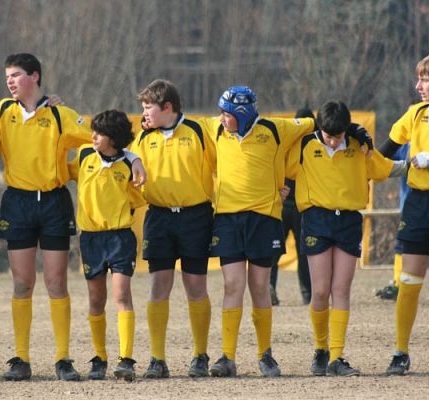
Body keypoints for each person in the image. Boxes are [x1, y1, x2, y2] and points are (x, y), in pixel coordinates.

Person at [0, 53, 145, 381]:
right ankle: (21, 358)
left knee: (56, 282)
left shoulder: (61, 114)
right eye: (8, 76)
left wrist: (132, 158)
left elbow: (106, 139)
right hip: (17, 202)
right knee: (22, 283)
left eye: (16, 75)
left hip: (53, 204)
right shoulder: (2, 112)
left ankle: (63, 359)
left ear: (35, 76)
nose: (10, 81)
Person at [207, 86, 317, 378]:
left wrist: (354, 131)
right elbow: (184, 124)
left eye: (226, 114)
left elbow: (314, 124)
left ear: (242, 113)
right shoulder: (216, 130)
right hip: (228, 220)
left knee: (259, 287)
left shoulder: (275, 129)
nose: (220, 118)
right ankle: (227, 357)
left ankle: (264, 355)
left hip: (264, 219)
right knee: (232, 285)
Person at [292, 101, 404, 377]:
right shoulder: (305, 145)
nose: (333, 141)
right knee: (319, 291)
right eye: (328, 136)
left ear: (346, 130)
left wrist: (415, 165)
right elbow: (276, 165)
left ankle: (337, 357)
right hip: (317, 218)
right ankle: (321, 348)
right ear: (320, 129)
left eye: (338, 136)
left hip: (348, 221)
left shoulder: (358, 145)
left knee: (340, 290)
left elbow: (383, 167)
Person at [379, 50, 429, 376]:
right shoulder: (415, 114)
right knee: (409, 281)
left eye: (424, 79)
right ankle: (400, 353)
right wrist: (356, 146)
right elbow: (382, 154)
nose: (418, 86)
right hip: (418, 204)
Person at [131, 79, 216, 378]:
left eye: (147, 107)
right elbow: (128, 158)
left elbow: (225, 162)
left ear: (167, 107)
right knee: (158, 287)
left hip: (195, 217)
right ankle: (157, 359)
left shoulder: (198, 130)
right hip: (159, 219)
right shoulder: (144, 137)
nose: (143, 114)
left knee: (195, 288)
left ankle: (200, 355)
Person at [69, 110, 145, 381]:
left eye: (99, 134)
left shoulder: (128, 165)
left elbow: (137, 198)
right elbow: (72, 136)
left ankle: (126, 359)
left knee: (122, 296)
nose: (93, 137)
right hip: (91, 239)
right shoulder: (85, 155)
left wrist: (134, 158)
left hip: (120, 238)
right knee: (96, 301)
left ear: (113, 138)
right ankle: (99, 357)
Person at [374, 143, 429, 303]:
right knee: (403, 243)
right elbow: (384, 160)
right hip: (411, 205)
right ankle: (397, 284)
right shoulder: (404, 145)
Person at [270, 107, 314, 306]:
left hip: (282, 205)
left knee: (272, 251)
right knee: (304, 253)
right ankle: (308, 294)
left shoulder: (285, 141)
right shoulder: (315, 144)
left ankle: (269, 287)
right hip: (303, 207)